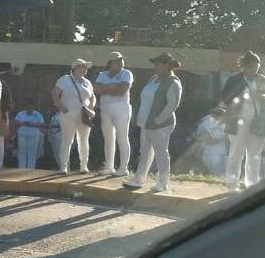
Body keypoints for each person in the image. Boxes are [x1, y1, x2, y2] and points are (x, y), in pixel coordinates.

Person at [123, 53, 183, 193]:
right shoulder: (153, 79)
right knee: (144, 152)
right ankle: (138, 179)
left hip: (161, 125)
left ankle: (162, 183)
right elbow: (144, 99)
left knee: (161, 152)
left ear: (166, 66)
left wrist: (157, 120)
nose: (154, 67)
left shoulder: (173, 82)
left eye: (157, 64)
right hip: (146, 123)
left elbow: (172, 105)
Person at [220, 50, 265, 190]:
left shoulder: (263, 80)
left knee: (255, 154)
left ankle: (251, 184)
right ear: (244, 66)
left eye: (257, 66)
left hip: (258, 122)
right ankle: (232, 184)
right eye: (252, 67)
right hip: (237, 122)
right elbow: (225, 98)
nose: (255, 70)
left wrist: (261, 97)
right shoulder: (234, 80)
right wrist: (243, 96)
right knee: (236, 153)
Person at [94, 51, 134, 177]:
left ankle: (123, 168)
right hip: (105, 109)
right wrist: (113, 86)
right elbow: (96, 89)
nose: (120, 62)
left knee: (122, 137)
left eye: (121, 60)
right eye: (117, 60)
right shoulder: (102, 74)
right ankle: (109, 166)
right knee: (108, 138)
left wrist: (105, 88)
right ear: (110, 63)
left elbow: (122, 91)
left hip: (121, 108)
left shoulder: (127, 73)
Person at [52, 59, 96, 174]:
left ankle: (84, 166)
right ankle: (63, 166)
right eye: (82, 66)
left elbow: (92, 97)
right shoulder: (64, 79)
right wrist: (61, 107)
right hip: (68, 114)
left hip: (83, 115)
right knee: (67, 140)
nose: (84, 69)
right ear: (75, 68)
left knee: (84, 140)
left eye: (85, 67)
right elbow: (55, 93)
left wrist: (91, 109)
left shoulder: (87, 82)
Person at [195, 107, 228, 176]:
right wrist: (223, 138)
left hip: (224, 153)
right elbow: (207, 140)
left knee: (228, 172)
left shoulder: (223, 123)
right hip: (210, 154)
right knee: (217, 173)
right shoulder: (205, 123)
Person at [14, 102, 45, 169]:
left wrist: (32, 124)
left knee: (32, 154)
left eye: (31, 107)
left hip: (34, 135)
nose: (30, 108)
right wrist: (22, 123)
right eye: (28, 107)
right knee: (22, 153)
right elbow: (15, 122)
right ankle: (21, 169)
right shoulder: (20, 113)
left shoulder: (37, 114)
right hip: (22, 134)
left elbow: (42, 124)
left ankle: (30, 170)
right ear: (25, 107)